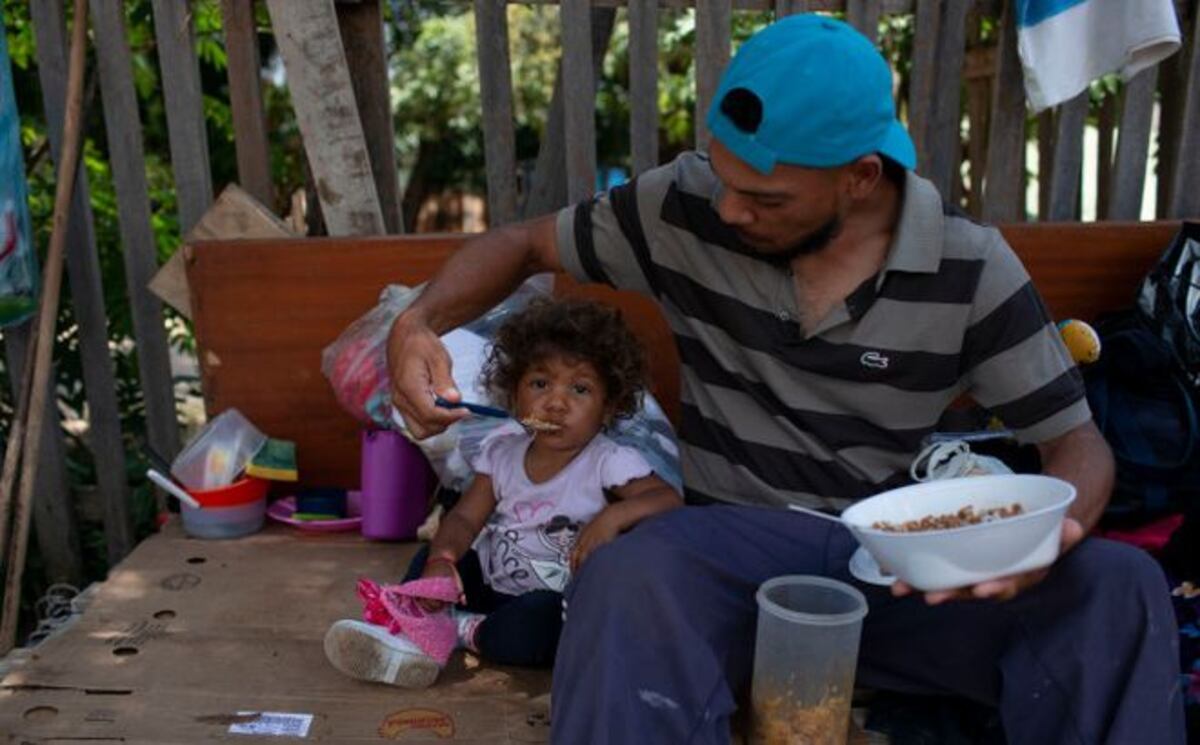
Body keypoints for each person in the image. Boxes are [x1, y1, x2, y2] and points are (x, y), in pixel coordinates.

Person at [386, 14, 1184, 744]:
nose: (729, 210)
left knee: (1118, 585)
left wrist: (1047, 537)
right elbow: (525, 244)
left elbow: (1077, 446)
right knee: (626, 576)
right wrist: (416, 322)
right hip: (723, 560)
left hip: (896, 573)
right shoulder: (688, 207)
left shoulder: (971, 269)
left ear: (862, 177)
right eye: (725, 179)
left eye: (763, 197)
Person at [325, 297, 682, 689]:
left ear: (608, 407)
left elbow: (667, 500)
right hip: (487, 585)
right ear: (515, 394)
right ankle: (408, 621)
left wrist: (612, 517)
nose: (557, 403)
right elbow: (463, 518)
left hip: (549, 604)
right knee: (431, 555)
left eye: (580, 389)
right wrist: (443, 561)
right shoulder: (503, 449)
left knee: (541, 626)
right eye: (540, 384)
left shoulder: (608, 460)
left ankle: (453, 632)